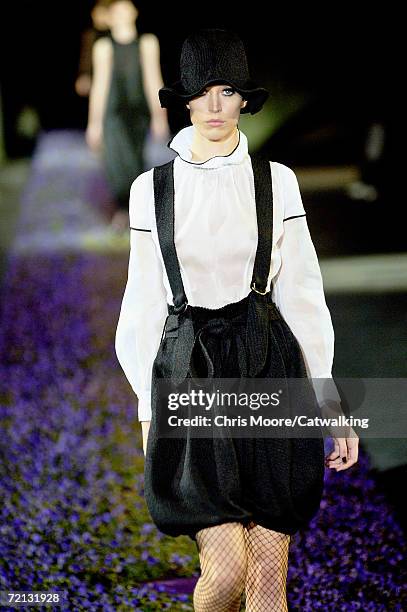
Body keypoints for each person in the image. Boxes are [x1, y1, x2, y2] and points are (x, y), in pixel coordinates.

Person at [115, 28, 359, 612]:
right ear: (185, 101)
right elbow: (144, 300)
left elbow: (303, 294)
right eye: (203, 92)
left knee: (269, 581)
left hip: (267, 363)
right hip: (190, 374)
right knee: (225, 576)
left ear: (245, 99)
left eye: (227, 91)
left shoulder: (276, 181)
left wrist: (330, 401)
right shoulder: (152, 190)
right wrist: (148, 410)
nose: (216, 106)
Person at [86, 0, 169, 233]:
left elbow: (154, 79)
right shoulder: (103, 46)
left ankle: (136, 211)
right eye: (116, 10)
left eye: (125, 8)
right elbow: (100, 86)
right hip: (113, 113)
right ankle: (123, 210)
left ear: (134, 11)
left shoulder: (147, 43)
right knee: (115, 161)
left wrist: (159, 115)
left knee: (135, 160)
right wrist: (94, 123)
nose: (121, 14)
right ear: (110, 16)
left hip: (138, 110)